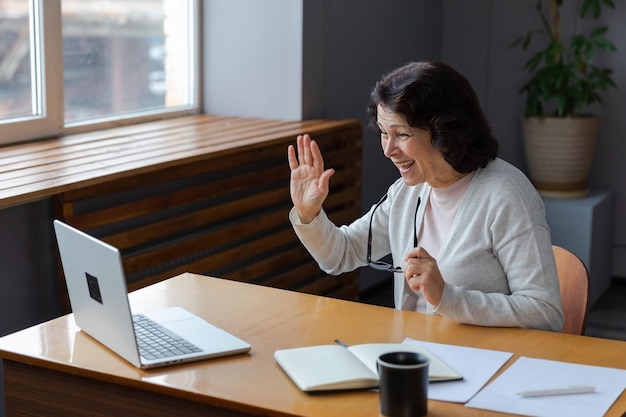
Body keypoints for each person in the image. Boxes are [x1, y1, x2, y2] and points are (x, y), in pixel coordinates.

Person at [287, 61, 564, 331]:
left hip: (481, 366)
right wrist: (308, 214)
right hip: (415, 358)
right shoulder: (406, 193)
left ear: (445, 132)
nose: (388, 149)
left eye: (402, 134)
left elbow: (545, 312)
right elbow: (341, 254)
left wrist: (447, 297)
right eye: (384, 133)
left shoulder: (506, 196)